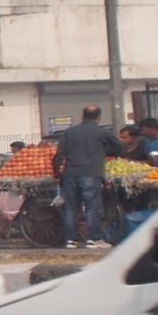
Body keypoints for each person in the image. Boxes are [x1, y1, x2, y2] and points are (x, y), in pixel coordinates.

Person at [53, 104, 121, 249]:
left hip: (70, 174)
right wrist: (105, 151)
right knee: (92, 207)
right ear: (98, 118)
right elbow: (120, 147)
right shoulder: (102, 132)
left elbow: (59, 154)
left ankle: (71, 240)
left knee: (71, 208)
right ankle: (94, 239)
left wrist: (57, 172)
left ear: (82, 116)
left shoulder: (70, 132)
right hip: (91, 173)